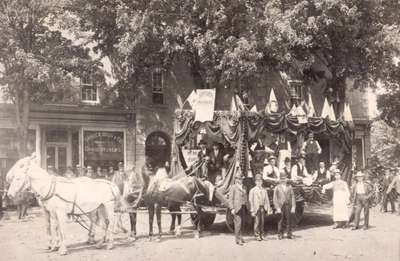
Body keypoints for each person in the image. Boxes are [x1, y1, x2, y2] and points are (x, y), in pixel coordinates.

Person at [273, 172, 296, 239]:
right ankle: (280, 234)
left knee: (289, 220)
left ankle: (289, 234)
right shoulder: (277, 187)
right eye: (282, 179)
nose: (283, 180)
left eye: (284, 178)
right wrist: (277, 208)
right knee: (280, 220)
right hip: (280, 206)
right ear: (280, 180)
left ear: (286, 179)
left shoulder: (289, 187)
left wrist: (293, 206)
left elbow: (292, 197)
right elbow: (275, 198)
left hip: (288, 205)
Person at [229, 173, 249, 245]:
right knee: (238, 223)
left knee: (243, 223)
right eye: (239, 179)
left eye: (241, 179)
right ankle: (237, 239)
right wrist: (232, 208)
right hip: (237, 207)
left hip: (244, 206)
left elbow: (246, 197)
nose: (240, 180)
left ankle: (241, 237)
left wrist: (248, 206)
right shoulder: (233, 187)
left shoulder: (244, 187)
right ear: (236, 180)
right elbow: (230, 199)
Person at [249, 174, 270, 241]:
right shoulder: (252, 190)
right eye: (257, 181)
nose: (259, 182)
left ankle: (262, 235)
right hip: (256, 208)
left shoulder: (264, 190)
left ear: (262, 182)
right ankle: (257, 235)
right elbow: (250, 201)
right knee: (257, 222)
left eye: (260, 181)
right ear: (255, 182)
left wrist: (268, 208)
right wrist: (252, 210)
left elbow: (267, 200)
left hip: (262, 208)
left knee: (262, 222)